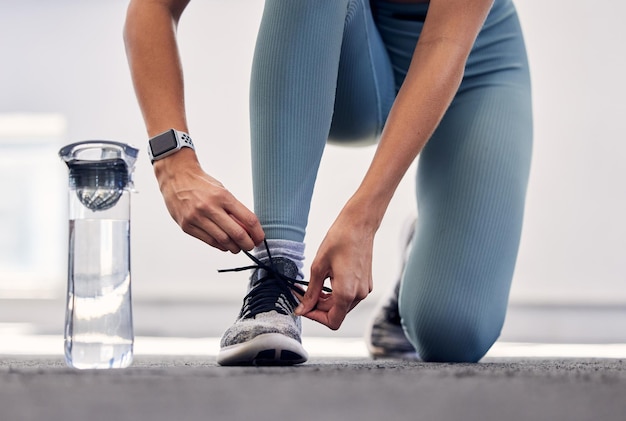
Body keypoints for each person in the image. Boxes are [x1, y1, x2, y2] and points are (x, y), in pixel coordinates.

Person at [124, 0, 532, 365]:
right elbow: (152, 7)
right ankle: (276, 273)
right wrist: (173, 163)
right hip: (350, 51)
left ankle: (418, 259)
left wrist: (364, 219)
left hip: (472, 57)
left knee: (453, 331)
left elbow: (444, 44)